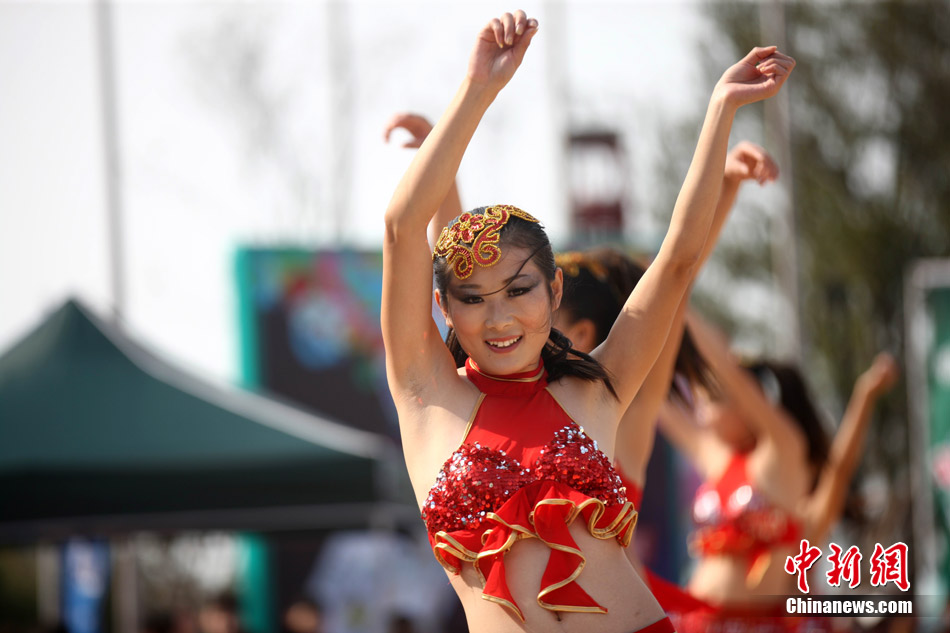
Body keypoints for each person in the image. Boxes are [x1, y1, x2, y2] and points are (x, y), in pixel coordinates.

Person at [381, 9, 794, 631]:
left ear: (554, 291)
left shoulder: (598, 388)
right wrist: (478, 88)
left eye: (519, 290)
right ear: (444, 307)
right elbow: (402, 228)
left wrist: (720, 109)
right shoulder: (425, 394)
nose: (498, 316)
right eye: (473, 299)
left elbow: (677, 262)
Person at [658, 311, 899, 630]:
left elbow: (838, 472)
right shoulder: (718, 459)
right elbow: (656, 400)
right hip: (699, 622)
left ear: (748, 404)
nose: (701, 410)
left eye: (713, 399)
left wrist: (682, 301)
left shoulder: (782, 455)